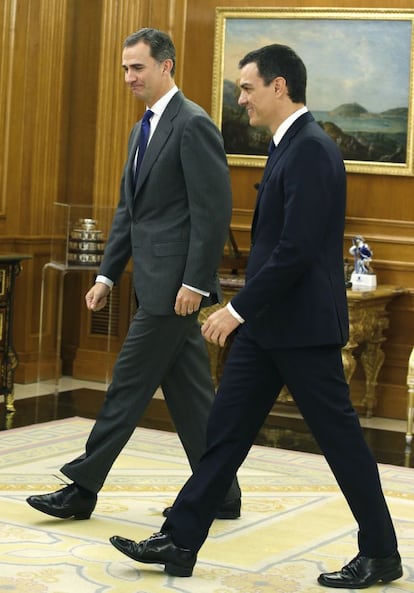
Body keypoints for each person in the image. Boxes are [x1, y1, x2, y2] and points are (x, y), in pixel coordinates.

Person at [108, 43, 403, 588]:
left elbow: (295, 249)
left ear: (278, 87)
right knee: (224, 432)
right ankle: (180, 536)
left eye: (246, 87)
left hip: (302, 331)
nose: (239, 98)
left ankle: (382, 553)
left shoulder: (312, 148)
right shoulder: (287, 146)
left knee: (341, 444)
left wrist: (235, 310)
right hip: (270, 330)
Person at [26, 27, 241, 521]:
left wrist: (194, 282)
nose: (128, 77)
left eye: (137, 67)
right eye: (124, 68)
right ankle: (222, 492)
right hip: (149, 281)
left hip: (173, 290)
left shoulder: (193, 124)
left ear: (166, 66)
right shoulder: (141, 128)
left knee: (126, 383)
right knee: (191, 397)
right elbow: (130, 210)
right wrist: (106, 276)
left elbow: (212, 212)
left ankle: (82, 486)